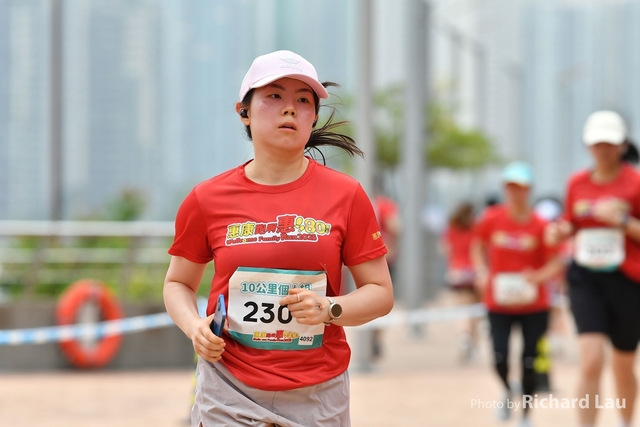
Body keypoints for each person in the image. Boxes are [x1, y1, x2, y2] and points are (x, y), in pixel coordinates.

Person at [163, 50, 394, 427]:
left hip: (318, 393)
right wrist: (195, 327)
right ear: (244, 111)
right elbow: (177, 283)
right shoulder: (207, 198)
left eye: (303, 100)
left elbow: (380, 292)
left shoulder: (347, 195)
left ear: (313, 116)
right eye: (274, 96)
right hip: (229, 388)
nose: (290, 109)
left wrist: (330, 309)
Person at [545, 110, 640, 427]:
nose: (604, 149)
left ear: (622, 145)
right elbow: (570, 222)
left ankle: (625, 422)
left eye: (610, 143)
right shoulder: (577, 183)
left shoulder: (635, 183)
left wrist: (622, 221)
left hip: (628, 280)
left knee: (623, 364)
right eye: (598, 143)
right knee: (590, 360)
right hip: (586, 278)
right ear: (588, 146)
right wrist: (559, 231)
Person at [471, 161, 563, 427]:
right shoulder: (492, 218)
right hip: (499, 301)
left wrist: (538, 277)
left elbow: (556, 262)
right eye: (511, 187)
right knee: (499, 356)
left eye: (520, 187)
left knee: (530, 361)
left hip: (534, 304)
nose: (515, 192)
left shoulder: (541, 224)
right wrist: (481, 271)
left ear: (529, 189)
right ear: (505, 189)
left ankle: (525, 413)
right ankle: (508, 389)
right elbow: (477, 246)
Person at [440, 201, 481, 362]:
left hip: (457, 272)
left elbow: (445, 249)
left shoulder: (451, 228)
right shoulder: (476, 228)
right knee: (475, 310)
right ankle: (472, 341)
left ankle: (463, 335)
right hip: (474, 272)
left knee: (463, 308)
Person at [370, 177, 402, 360]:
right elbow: (396, 227)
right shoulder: (385, 205)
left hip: (360, 259)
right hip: (384, 257)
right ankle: (376, 337)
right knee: (382, 299)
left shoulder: (361, 202)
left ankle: (368, 337)